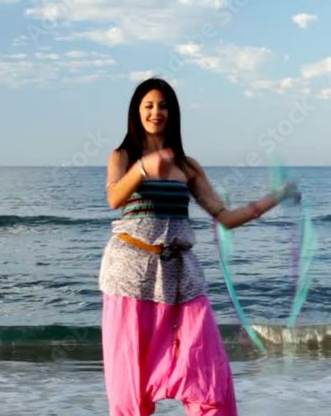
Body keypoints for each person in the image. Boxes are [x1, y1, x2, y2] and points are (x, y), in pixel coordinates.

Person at [98, 78, 300, 416]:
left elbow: (226, 216)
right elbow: (114, 197)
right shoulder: (122, 156)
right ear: (136, 112)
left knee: (209, 378)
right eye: (148, 105)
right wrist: (143, 168)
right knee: (130, 387)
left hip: (181, 277)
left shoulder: (188, 167)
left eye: (163, 105)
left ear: (173, 113)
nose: (156, 112)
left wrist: (275, 196)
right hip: (129, 276)